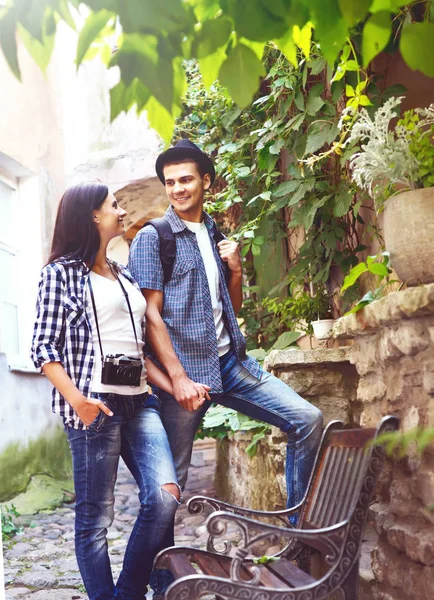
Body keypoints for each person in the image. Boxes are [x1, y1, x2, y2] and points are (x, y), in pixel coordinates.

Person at [128, 139, 324, 514]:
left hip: (230, 365)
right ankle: (162, 574)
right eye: (170, 183)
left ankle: (299, 538)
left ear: (206, 181)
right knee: (167, 491)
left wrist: (235, 272)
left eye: (185, 180)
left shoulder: (216, 237)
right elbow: (149, 316)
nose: (177, 189)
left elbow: (229, 310)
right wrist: (178, 378)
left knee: (307, 420)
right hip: (182, 379)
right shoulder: (154, 238)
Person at [30, 181, 181, 600]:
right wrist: (78, 401)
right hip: (95, 405)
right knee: (95, 519)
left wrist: (175, 385)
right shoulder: (59, 274)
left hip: (140, 401)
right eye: (113, 205)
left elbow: (140, 347)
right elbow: (42, 348)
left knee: (164, 495)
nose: (120, 210)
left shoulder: (122, 272)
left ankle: (127, 593)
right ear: (93, 216)